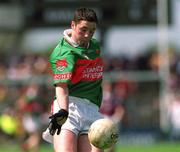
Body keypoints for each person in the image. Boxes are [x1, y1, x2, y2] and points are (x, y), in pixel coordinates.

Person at [42, 7, 105, 152]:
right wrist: (63, 111)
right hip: (69, 108)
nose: (88, 34)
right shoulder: (63, 53)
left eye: (92, 30)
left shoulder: (95, 46)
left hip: (92, 110)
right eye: (83, 29)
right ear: (73, 25)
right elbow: (61, 86)